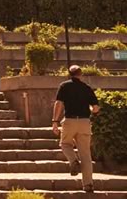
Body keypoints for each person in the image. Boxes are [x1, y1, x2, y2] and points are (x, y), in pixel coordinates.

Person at [53, 65, 100, 193]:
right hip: (84, 122)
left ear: (69, 74)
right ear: (81, 74)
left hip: (69, 121)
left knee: (65, 144)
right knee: (86, 154)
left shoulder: (64, 86)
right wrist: (90, 109)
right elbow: (95, 108)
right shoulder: (87, 88)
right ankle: (88, 185)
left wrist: (55, 121)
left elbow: (58, 104)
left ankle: (73, 161)